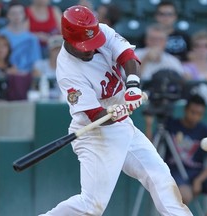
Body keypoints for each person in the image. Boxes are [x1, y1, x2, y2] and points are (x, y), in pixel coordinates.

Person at [38, 5, 193, 216]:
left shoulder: (99, 30)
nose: (92, 48)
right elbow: (96, 115)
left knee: (159, 175)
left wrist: (133, 86)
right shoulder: (68, 70)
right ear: (69, 39)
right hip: (95, 133)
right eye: (85, 45)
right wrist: (122, 109)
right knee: (91, 206)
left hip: (122, 125)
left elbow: (127, 55)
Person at [164, 94, 207, 216]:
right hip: (174, 173)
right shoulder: (170, 125)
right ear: (185, 110)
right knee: (185, 195)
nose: (195, 116)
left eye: (200, 114)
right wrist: (149, 124)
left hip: (197, 174)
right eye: (193, 112)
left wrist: (199, 180)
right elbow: (151, 145)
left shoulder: (206, 131)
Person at [0, 2, 42, 74]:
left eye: (20, 13)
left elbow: (36, 63)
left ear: (24, 15)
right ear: (8, 15)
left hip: (27, 77)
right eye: (13, 13)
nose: (17, 16)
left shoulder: (32, 38)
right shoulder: (0, 35)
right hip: (4, 74)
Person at [32, 34, 63, 99]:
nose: (57, 52)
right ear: (49, 51)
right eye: (55, 50)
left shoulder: (67, 68)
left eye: (60, 49)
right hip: (44, 99)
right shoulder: (39, 65)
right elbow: (36, 84)